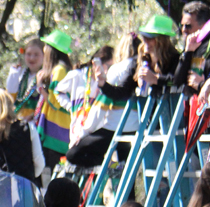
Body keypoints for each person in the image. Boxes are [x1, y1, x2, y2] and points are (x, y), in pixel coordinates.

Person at [66, 33, 140, 168]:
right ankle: (116, 166)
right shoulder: (142, 68)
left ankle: (109, 165)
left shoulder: (117, 69)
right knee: (128, 175)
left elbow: (101, 107)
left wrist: (84, 132)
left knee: (72, 155)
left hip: (114, 128)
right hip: (135, 128)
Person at [35, 29, 74, 174]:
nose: (44, 49)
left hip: (55, 134)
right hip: (57, 133)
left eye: (46, 45)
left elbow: (55, 102)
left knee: (48, 173)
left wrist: (40, 87)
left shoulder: (59, 70)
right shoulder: (61, 69)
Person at [173, 2, 210, 97]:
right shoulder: (190, 46)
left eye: (188, 26)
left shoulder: (209, 46)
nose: (184, 30)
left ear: (204, 26)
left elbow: (189, 81)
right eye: (182, 25)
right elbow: (177, 81)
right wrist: (188, 52)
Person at [135, 15, 181, 96]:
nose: (145, 41)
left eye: (150, 38)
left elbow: (176, 81)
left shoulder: (175, 58)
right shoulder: (144, 58)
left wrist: (155, 79)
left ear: (161, 41)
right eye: (144, 37)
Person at [7, 39, 45, 122]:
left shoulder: (46, 77)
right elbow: (10, 98)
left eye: (36, 54)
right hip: (17, 122)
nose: (32, 58)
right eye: (28, 54)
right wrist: (13, 75)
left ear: (44, 56)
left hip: (36, 124)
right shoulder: (20, 75)